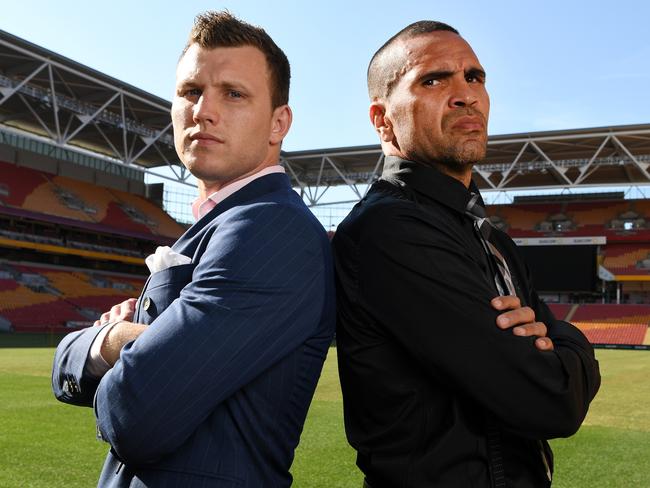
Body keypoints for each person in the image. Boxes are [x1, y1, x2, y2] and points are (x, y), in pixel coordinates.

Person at [52, 11, 335, 487]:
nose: (203, 109)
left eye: (234, 93)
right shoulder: (222, 221)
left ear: (278, 123)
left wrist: (126, 341)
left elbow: (134, 414)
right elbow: (66, 365)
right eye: (190, 91)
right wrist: (114, 341)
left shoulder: (270, 227)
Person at [332, 21, 601, 488]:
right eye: (433, 80)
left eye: (474, 77)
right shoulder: (390, 230)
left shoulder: (492, 237)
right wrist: (572, 343)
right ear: (382, 118)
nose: (466, 94)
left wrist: (555, 341)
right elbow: (551, 398)